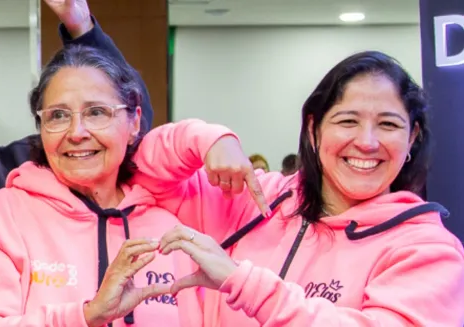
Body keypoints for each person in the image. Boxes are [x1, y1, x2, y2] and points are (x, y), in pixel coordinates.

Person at [131, 51, 464, 326]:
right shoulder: (256, 200)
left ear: (413, 137)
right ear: (313, 129)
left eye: (388, 124)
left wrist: (244, 284)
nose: (366, 142)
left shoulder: (427, 249)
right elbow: (140, 172)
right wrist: (209, 138)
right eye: (347, 121)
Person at [0, 45, 201, 327]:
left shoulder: (169, 229)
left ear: (134, 122)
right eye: (58, 115)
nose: (77, 133)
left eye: (96, 112)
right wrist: (87, 315)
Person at [0, 0, 154, 197]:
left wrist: (82, 28)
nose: (77, 133)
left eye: (94, 111)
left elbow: (129, 120)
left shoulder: (11, 171)